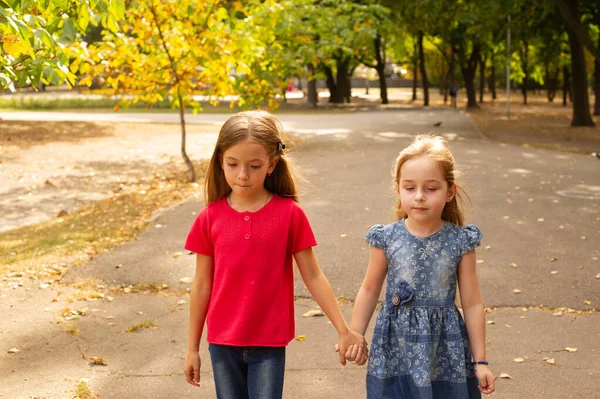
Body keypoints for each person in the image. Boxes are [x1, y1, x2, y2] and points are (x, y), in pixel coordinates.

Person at [183, 110, 367, 398]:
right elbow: (201, 286)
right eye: (232, 164)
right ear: (220, 161)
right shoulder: (209, 218)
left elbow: (314, 275)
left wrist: (343, 329)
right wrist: (192, 348)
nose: (242, 175)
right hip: (222, 342)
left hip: (269, 342)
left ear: (271, 164)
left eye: (254, 166)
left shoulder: (289, 215)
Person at [343, 135, 495, 398]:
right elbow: (369, 289)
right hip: (395, 345)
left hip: (444, 347)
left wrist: (480, 362)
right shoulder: (386, 237)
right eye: (410, 188)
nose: (420, 197)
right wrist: (355, 334)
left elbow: (471, 302)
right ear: (398, 189)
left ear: (450, 192)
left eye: (431, 188)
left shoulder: (461, 241)